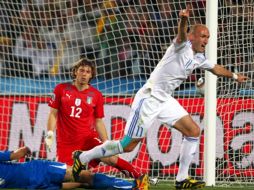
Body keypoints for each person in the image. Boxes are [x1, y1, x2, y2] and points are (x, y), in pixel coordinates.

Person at [71, 6, 249, 189]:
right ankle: (83, 157)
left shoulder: (198, 57)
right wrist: (184, 20)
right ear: (192, 36)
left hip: (165, 100)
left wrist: (235, 76)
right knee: (127, 145)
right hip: (149, 98)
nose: (206, 40)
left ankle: (181, 179)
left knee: (193, 131)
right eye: (203, 36)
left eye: (208, 37)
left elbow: (215, 68)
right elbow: (180, 34)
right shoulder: (181, 47)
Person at [45, 58, 148, 187]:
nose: (84, 74)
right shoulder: (61, 89)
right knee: (65, 180)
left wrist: (106, 143)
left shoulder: (96, 95)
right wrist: (49, 133)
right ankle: (86, 180)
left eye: (88, 72)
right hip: (66, 143)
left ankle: (140, 179)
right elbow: (53, 113)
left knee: (110, 158)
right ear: (75, 72)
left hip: (88, 139)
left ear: (91, 75)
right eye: (81, 70)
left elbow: (98, 121)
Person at [0, 146, 142, 189]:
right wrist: (26, 150)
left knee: (83, 181)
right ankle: (131, 187)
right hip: (39, 172)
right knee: (85, 178)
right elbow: (20, 153)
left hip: (35, 182)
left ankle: (130, 187)